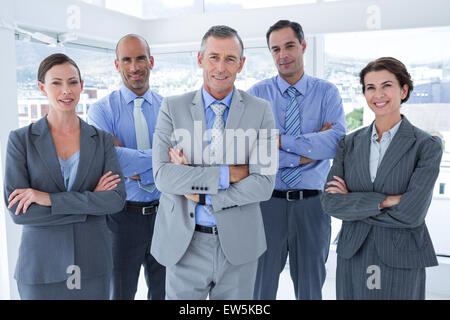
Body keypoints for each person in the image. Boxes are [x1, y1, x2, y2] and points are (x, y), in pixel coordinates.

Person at [150, 25, 277, 300]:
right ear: (200, 59)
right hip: (184, 244)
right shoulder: (173, 108)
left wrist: (203, 195)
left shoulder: (261, 111)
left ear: (241, 64)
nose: (221, 67)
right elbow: (163, 176)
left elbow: (264, 184)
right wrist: (230, 174)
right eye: (213, 57)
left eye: (230, 58)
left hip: (239, 246)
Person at [4, 53, 126, 300]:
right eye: (56, 83)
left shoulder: (101, 140)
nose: (66, 90)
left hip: (92, 264)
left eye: (72, 82)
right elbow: (20, 212)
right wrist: (91, 202)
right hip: (40, 267)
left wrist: (49, 199)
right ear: (42, 88)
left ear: (81, 86)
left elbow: (115, 200)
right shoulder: (20, 140)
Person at [321, 57, 443, 299]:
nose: (378, 94)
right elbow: (331, 203)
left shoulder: (426, 145)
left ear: (404, 90)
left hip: (401, 254)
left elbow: (412, 213)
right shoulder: (348, 143)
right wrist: (386, 200)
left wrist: (354, 202)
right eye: (370, 87)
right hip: (354, 251)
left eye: (387, 85)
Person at [248, 20, 346, 300]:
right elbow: (253, 151)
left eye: (289, 46)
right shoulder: (257, 94)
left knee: (310, 289)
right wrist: (308, 153)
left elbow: (336, 143)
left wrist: (277, 140)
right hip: (267, 205)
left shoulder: (327, 93)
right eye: (275, 49)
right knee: (260, 289)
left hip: (313, 206)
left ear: (303, 46)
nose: (283, 55)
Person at [87, 34, 165, 300]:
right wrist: (163, 158)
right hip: (121, 219)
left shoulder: (170, 108)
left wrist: (131, 160)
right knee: (119, 294)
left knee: (166, 293)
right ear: (117, 64)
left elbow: (185, 160)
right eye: (127, 60)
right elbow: (112, 161)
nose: (134, 67)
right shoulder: (101, 111)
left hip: (166, 216)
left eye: (140, 58)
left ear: (151, 61)